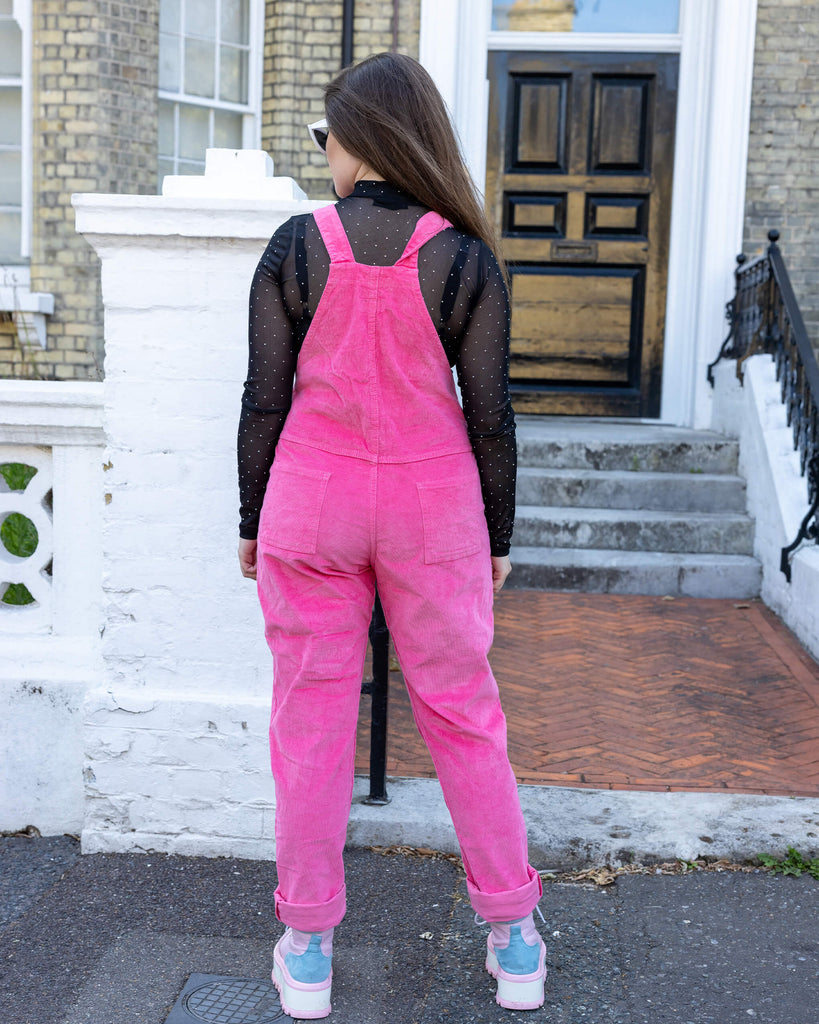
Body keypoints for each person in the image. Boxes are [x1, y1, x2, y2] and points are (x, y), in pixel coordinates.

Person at [237, 51, 546, 1018]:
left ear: (358, 139)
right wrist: (498, 532)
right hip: (433, 507)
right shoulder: (465, 256)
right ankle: (515, 939)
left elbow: (263, 399)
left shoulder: (295, 247)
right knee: (462, 714)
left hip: (311, 502)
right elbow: (491, 415)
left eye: (324, 139)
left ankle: (309, 949)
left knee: (312, 722)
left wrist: (251, 517)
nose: (322, 156)